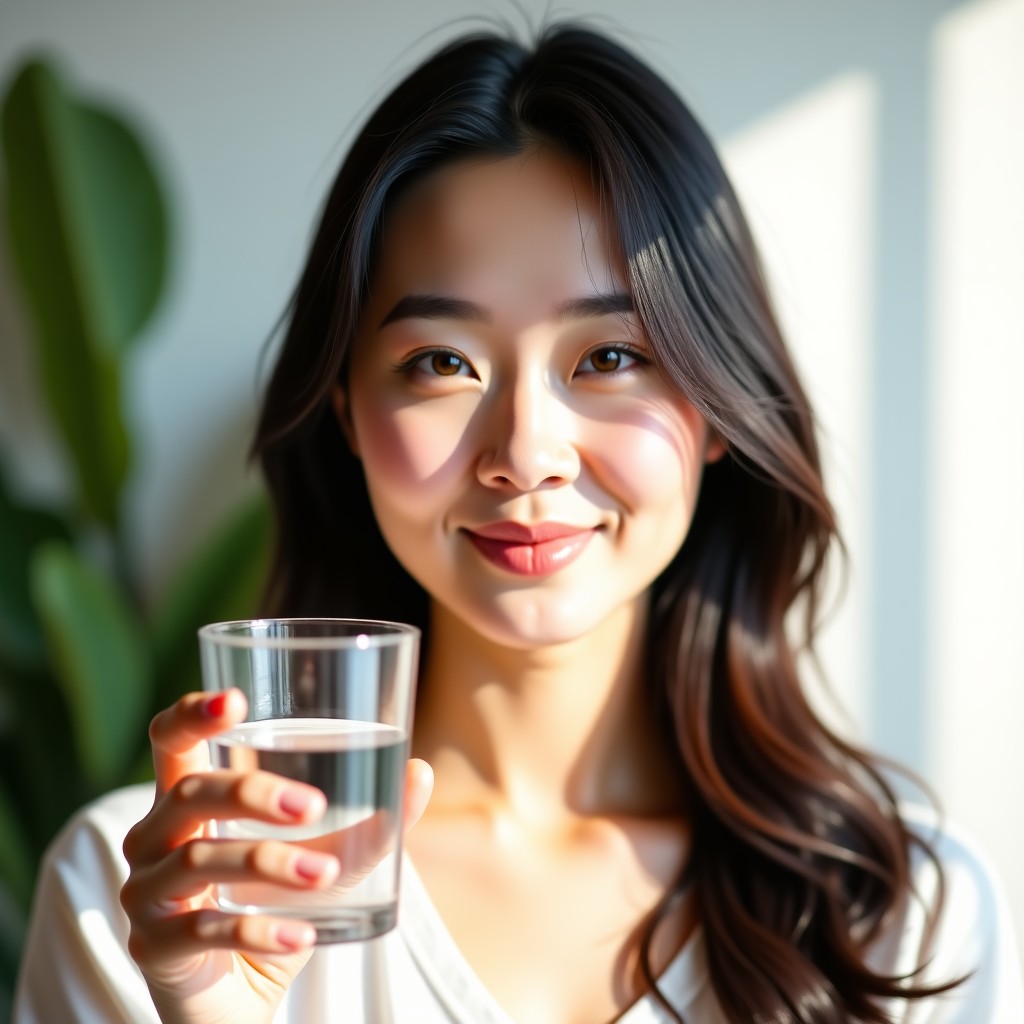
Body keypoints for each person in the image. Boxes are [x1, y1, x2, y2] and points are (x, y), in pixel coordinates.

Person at [13, 21, 1024, 1024]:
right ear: (346, 411)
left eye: (610, 356)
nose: (526, 451)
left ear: (715, 403)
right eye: (441, 362)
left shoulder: (900, 918)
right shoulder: (142, 898)